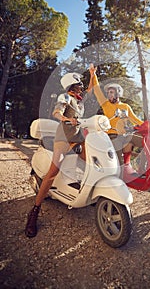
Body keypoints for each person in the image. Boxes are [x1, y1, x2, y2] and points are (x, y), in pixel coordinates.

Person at [25, 72, 89, 238]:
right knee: (53, 172)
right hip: (64, 138)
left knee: (93, 162)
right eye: (79, 84)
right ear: (72, 86)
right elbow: (57, 112)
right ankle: (35, 211)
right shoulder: (65, 97)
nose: (81, 86)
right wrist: (65, 119)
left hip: (79, 138)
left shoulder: (79, 101)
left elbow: (92, 90)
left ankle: (89, 193)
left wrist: (93, 74)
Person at [89, 65, 143, 180]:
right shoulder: (106, 105)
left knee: (145, 142)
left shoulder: (125, 106)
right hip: (112, 136)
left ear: (118, 93)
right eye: (108, 92)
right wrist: (93, 75)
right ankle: (119, 180)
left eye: (111, 92)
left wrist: (146, 125)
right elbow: (97, 89)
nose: (109, 94)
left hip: (124, 135)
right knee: (117, 161)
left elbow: (135, 119)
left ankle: (142, 169)